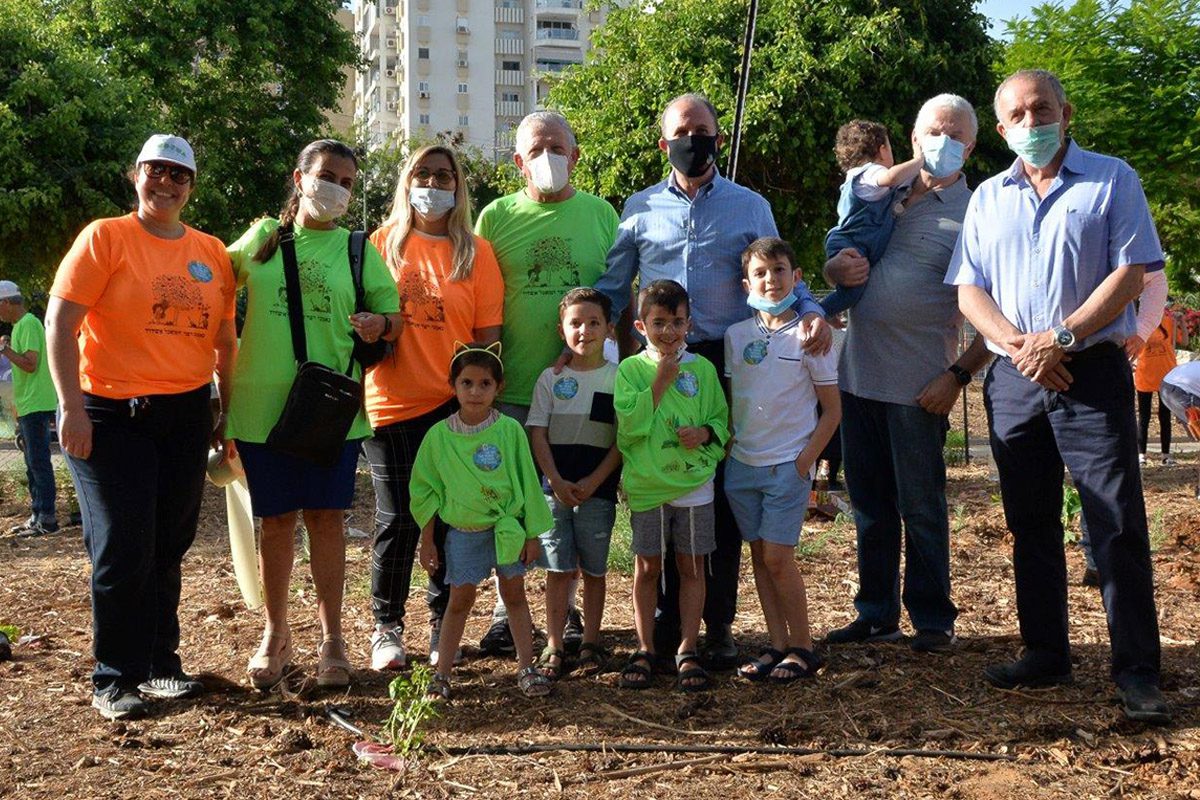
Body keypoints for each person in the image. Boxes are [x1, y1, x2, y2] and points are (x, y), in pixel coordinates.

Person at [949, 69, 1170, 723]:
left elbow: (1133, 272)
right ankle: (1046, 651)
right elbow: (969, 289)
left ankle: (1136, 671)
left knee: (1117, 523)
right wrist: (1022, 346)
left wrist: (1063, 337)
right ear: (1000, 128)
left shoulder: (1112, 179)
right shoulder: (988, 197)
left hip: (1091, 372)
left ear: (1065, 112)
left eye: (1040, 108)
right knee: (1030, 522)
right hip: (1015, 380)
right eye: (1016, 114)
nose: (1030, 122)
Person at [596, 92, 830, 669]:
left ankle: (715, 625)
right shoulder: (639, 207)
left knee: (715, 501)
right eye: (682, 130)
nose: (692, 138)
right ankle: (667, 630)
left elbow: (774, 272)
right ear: (664, 141)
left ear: (718, 139)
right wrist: (578, 338)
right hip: (655, 363)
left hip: (721, 363)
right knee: (662, 486)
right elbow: (612, 283)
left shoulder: (750, 205)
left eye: (703, 129)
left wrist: (813, 309)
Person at [46, 134, 237, 720]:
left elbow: (225, 342)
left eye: (179, 175)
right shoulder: (106, 237)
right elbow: (59, 323)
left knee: (167, 543)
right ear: (136, 176)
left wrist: (226, 413)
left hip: (184, 413)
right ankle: (115, 676)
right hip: (110, 413)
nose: (166, 183)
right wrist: (70, 407)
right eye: (156, 171)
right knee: (123, 544)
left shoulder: (211, 252)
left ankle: (159, 664)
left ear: (191, 187)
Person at [225, 139, 401, 691]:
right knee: (275, 522)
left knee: (326, 520)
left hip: (330, 408)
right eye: (328, 176)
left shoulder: (357, 249)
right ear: (299, 178)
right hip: (260, 406)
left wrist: (379, 325)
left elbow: (394, 318)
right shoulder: (262, 240)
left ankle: (333, 639)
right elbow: (209, 284)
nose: (336, 189)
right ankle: (276, 634)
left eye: (348, 183)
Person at [822, 94, 989, 653]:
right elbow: (844, 260)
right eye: (930, 132)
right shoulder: (880, 195)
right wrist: (831, 266)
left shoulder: (978, 211)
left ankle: (933, 619)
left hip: (921, 391)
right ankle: (875, 613)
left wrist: (959, 376)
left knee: (921, 507)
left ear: (970, 146)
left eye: (953, 134)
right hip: (858, 379)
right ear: (911, 141)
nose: (939, 142)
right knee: (869, 507)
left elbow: (999, 310)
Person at [473, 111, 618, 655]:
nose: (547, 158)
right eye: (535, 150)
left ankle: (569, 610)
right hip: (511, 390)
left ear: (576, 155)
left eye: (557, 147)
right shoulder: (495, 217)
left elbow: (615, 302)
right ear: (517, 161)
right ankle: (501, 611)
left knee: (571, 502)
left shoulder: (602, 215)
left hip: (581, 395)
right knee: (508, 504)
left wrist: (618, 375)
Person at [362, 145, 504, 671]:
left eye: (444, 176)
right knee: (399, 517)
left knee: (450, 520)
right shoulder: (380, 245)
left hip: (454, 407)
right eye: (423, 174)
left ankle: (442, 625)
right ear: (407, 182)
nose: (433, 183)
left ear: (458, 187)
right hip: (392, 402)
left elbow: (488, 339)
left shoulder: (476, 253)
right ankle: (386, 626)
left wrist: (480, 401)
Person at [725, 238, 841, 684]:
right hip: (743, 466)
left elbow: (831, 410)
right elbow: (739, 399)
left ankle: (804, 647)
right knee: (759, 556)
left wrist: (804, 462)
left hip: (786, 466)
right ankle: (777, 645)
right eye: (760, 273)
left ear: (796, 278)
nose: (770, 280)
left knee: (779, 557)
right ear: (746, 283)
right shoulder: (738, 336)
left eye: (779, 270)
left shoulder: (812, 336)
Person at [411, 343, 554, 701]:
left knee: (515, 596)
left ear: (498, 387)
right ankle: (442, 674)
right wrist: (427, 540)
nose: (476, 392)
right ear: (453, 385)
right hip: (464, 531)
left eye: (485, 383)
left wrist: (532, 533)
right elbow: (426, 491)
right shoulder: (438, 436)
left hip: (507, 529)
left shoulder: (509, 431)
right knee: (459, 599)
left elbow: (527, 482)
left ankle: (527, 667)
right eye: (467, 383)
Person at [615, 280, 729, 691]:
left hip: (693, 484)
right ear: (641, 326)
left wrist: (705, 433)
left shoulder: (702, 369)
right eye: (659, 322)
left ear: (689, 324)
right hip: (648, 486)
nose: (669, 331)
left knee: (691, 566)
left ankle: (686, 648)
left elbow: (721, 420)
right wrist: (660, 381)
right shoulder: (630, 370)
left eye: (677, 322)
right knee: (647, 567)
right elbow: (627, 429)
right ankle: (645, 648)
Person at [527, 288, 622, 680]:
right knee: (558, 568)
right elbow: (537, 432)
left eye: (594, 322)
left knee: (595, 569)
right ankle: (554, 643)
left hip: (597, 491)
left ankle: (590, 643)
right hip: (556, 491)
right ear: (561, 329)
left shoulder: (620, 378)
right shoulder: (550, 379)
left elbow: (621, 439)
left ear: (609, 329)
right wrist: (555, 481)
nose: (585, 330)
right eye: (576, 323)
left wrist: (593, 480)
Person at [820, 120, 926, 315]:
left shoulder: (857, 177)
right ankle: (816, 313)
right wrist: (919, 160)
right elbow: (892, 178)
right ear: (883, 149)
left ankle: (828, 311)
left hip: (848, 241)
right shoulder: (870, 172)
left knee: (850, 291)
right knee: (854, 290)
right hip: (850, 244)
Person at [0, 281, 59, 536]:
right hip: (28, 403)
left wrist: (5, 351)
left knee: (38, 462)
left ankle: (47, 518)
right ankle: (37, 516)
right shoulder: (20, 326)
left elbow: (31, 364)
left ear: (6, 303)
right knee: (32, 463)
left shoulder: (29, 324)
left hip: (36, 402)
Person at [1133, 308, 1178, 465]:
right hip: (1145, 375)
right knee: (1144, 417)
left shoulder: (1168, 321)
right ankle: (1141, 455)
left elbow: (1183, 341)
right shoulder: (1138, 323)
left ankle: (1166, 455)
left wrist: (1182, 323)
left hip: (1166, 375)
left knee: (1165, 416)